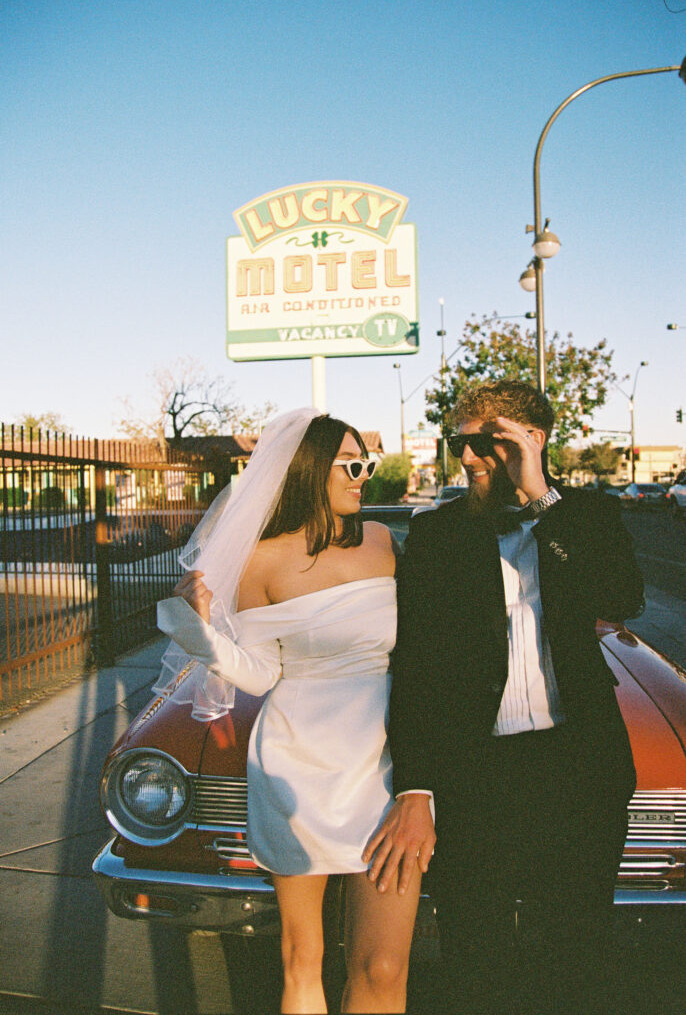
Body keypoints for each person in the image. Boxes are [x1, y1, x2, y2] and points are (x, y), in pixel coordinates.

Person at [365, 380, 644, 1014]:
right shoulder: (438, 536)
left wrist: (543, 496)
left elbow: (620, 597)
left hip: (577, 765)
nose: (467, 458)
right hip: (475, 772)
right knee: (475, 952)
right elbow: (416, 669)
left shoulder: (585, 517)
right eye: (459, 443)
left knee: (576, 951)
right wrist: (416, 787)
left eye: (484, 442)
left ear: (529, 440)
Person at [155, 409, 421, 1015]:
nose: (364, 476)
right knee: (302, 958)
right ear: (308, 471)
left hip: (385, 764)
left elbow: (425, 649)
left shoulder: (382, 541)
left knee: (381, 964)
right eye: (352, 465)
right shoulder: (258, 562)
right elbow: (261, 671)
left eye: (367, 464)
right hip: (294, 766)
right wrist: (200, 633)